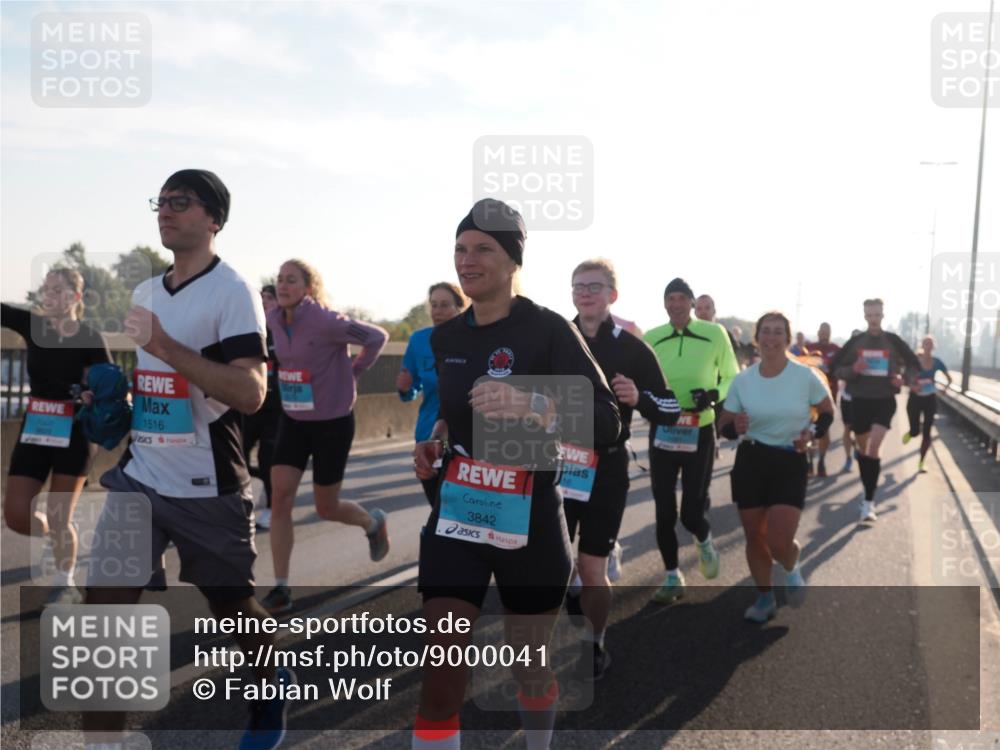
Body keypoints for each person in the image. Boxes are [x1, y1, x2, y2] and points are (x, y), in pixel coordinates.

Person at [84, 169, 292, 750]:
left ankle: (266, 684)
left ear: (213, 220)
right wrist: (112, 400)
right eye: (161, 202)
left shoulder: (232, 290)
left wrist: (165, 347)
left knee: (233, 609)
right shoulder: (145, 293)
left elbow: (251, 392)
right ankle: (104, 743)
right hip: (141, 476)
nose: (166, 211)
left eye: (182, 202)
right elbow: (156, 382)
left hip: (208, 483)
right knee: (103, 611)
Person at [410, 199, 621, 749]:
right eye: (460, 248)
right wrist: (436, 442)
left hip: (529, 522)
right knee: (440, 678)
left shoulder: (548, 329)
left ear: (512, 262)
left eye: (483, 249)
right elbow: (455, 414)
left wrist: (536, 403)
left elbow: (608, 423)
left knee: (530, 670)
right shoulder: (446, 337)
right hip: (458, 518)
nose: (467, 260)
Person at [563, 258, 679, 679]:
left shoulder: (632, 348)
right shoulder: (558, 338)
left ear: (613, 295)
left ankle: (595, 644)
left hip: (607, 468)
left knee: (592, 567)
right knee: (555, 565)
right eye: (578, 287)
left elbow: (670, 408)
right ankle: (573, 589)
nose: (585, 293)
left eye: (594, 286)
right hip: (558, 467)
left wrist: (639, 399)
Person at [261, 259, 390, 614]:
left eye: (292, 280)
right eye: (280, 279)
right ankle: (282, 588)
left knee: (325, 507)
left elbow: (378, 337)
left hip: (332, 422)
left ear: (309, 288)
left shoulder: (327, 320)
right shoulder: (272, 317)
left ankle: (371, 522)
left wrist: (354, 370)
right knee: (281, 500)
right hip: (293, 419)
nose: (283, 285)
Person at [2, 270, 111, 605]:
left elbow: (108, 384)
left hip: (74, 431)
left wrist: (94, 394)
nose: (48, 296)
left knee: (60, 513)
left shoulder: (90, 336)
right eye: (45, 290)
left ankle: (65, 581)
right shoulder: (34, 325)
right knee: (17, 515)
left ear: (76, 298)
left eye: (57, 290)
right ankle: (56, 536)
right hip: (36, 428)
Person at [718, 311, 834, 622]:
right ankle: (764, 598)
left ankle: (792, 566)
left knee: (778, 541)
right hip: (751, 460)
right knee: (755, 536)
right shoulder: (743, 380)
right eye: (765, 332)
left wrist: (814, 433)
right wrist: (735, 427)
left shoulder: (804, 377)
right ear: (757, 338)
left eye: (777, 332)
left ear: (786, 338)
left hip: (789, 458)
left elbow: (826, 411)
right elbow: (724, 424)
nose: (771, 338)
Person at [644, 279, 739, 603]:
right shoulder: (652, 337)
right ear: (664, 303)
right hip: (664, 428)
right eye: (669, 298)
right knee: (664, 509)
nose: (675, 304)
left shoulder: (715, 334)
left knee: (691, 511)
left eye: (681, 298)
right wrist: (651, 402)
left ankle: (703, 540)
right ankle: (673, 576)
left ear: (692, 302)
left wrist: (714, 394)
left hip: (700, 429)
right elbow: (641, 381)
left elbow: (731, 376)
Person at [830, 299, 920, 523]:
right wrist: (854, 369)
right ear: (864, 316)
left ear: (883, 315)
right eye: (869, 315)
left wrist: (904, 379)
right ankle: (867, 485)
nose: (873, 319)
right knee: (865, 452)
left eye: (877, 315)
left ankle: (868, 503)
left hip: (884, 400)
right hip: (860, 401)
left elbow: (913, 364)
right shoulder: (856, 341)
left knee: (873, 447)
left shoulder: (892, 341)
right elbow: (834, 369)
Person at [397, 282, 467, 504]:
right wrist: (405, 387)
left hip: (464, 437)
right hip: (428, 435)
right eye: (434, 305)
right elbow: (410, 392)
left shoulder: (474, 341)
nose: (437, 311)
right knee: (436, 506)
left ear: (460, 307)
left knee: (460, 511)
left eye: (444, 305)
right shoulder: (419, 340)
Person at [242, 284, 281, 529]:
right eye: (262, 297)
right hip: (249, 403)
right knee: (238, 454)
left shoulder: (285, 329)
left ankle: (272, 505)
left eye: (270, 297)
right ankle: (265, 488)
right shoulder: (252, 327)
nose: (265, 300)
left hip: (275, 406)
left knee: (268, 457)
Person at [904, 335, 952, 473]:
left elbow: (949, 378)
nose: (928, 346)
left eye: (930, 343)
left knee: (927, 432)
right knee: (915, 431)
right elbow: (905, 378)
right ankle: (911, 433)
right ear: (922, 345)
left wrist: (945, 389)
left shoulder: (937, 362)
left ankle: (921, 463)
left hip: (930, 399)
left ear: (933, 346)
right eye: (926, 343)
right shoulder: (915, 361)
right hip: (914, 398)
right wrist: (913, 386)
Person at [806, 323, 842, 477]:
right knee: (808, 429)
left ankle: (821, 460)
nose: (824, 334)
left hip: (828, 397)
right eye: (822, 332)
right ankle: (809, 461)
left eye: (827, 332)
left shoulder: (836, 350)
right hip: (807, 397)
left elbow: (842, 369)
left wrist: (831, 371)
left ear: (830, 333)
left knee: (823, 429)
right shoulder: (809, 347)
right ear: (818, 332)